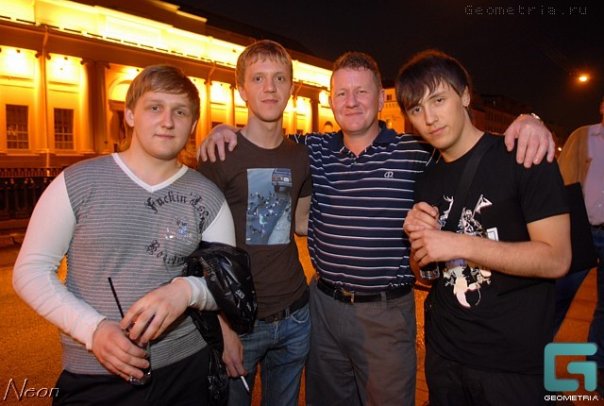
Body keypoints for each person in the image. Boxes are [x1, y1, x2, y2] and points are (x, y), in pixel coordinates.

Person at [200, 52, 555, 405]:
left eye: (362, 92)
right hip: (323, 309)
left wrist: (529, 122)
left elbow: (467, 145)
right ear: (331, 101)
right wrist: (222, 130)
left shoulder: (417, 151)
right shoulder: (312, 149)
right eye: (342, 93)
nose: (351, 102)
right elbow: (264, 141)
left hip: (386, 315)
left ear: (382, 99)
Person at [12, 64, 236, 405]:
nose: (167, 121)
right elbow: (31, 271)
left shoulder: (208, 196)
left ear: (192, 124)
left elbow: (227, 283)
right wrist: (93, 329)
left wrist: (186, 291)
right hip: (96, 374)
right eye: (155, 107)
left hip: (186, 369)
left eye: (180, 112)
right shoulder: (76, 182)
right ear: (130, 114)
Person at [398, 50, 570, 405]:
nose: (429, 118)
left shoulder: (523, 156)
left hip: (512, 363)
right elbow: (425, 275)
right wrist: (419, 246)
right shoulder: (426, 180)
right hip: (444, 355)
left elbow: (557, 259)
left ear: (464, 95)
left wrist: (458, 243)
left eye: (438, 100)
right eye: (416, 109)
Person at [198, 40, 312, 406]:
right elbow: (199, 251)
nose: (270, 88)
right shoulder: (219, 154)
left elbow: (302, 222)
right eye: (258, 78)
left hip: (295, 314)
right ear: (241, 89)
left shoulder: (301, 156)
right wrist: (222, 326)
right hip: (239, 322)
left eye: (280, 78)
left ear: (291, 88)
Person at [555, 95, 604, 394]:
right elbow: (560, 180)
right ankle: (534, 361)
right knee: (558, 297)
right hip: (580, 230)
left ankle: (597, 367)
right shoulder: (582, 136)